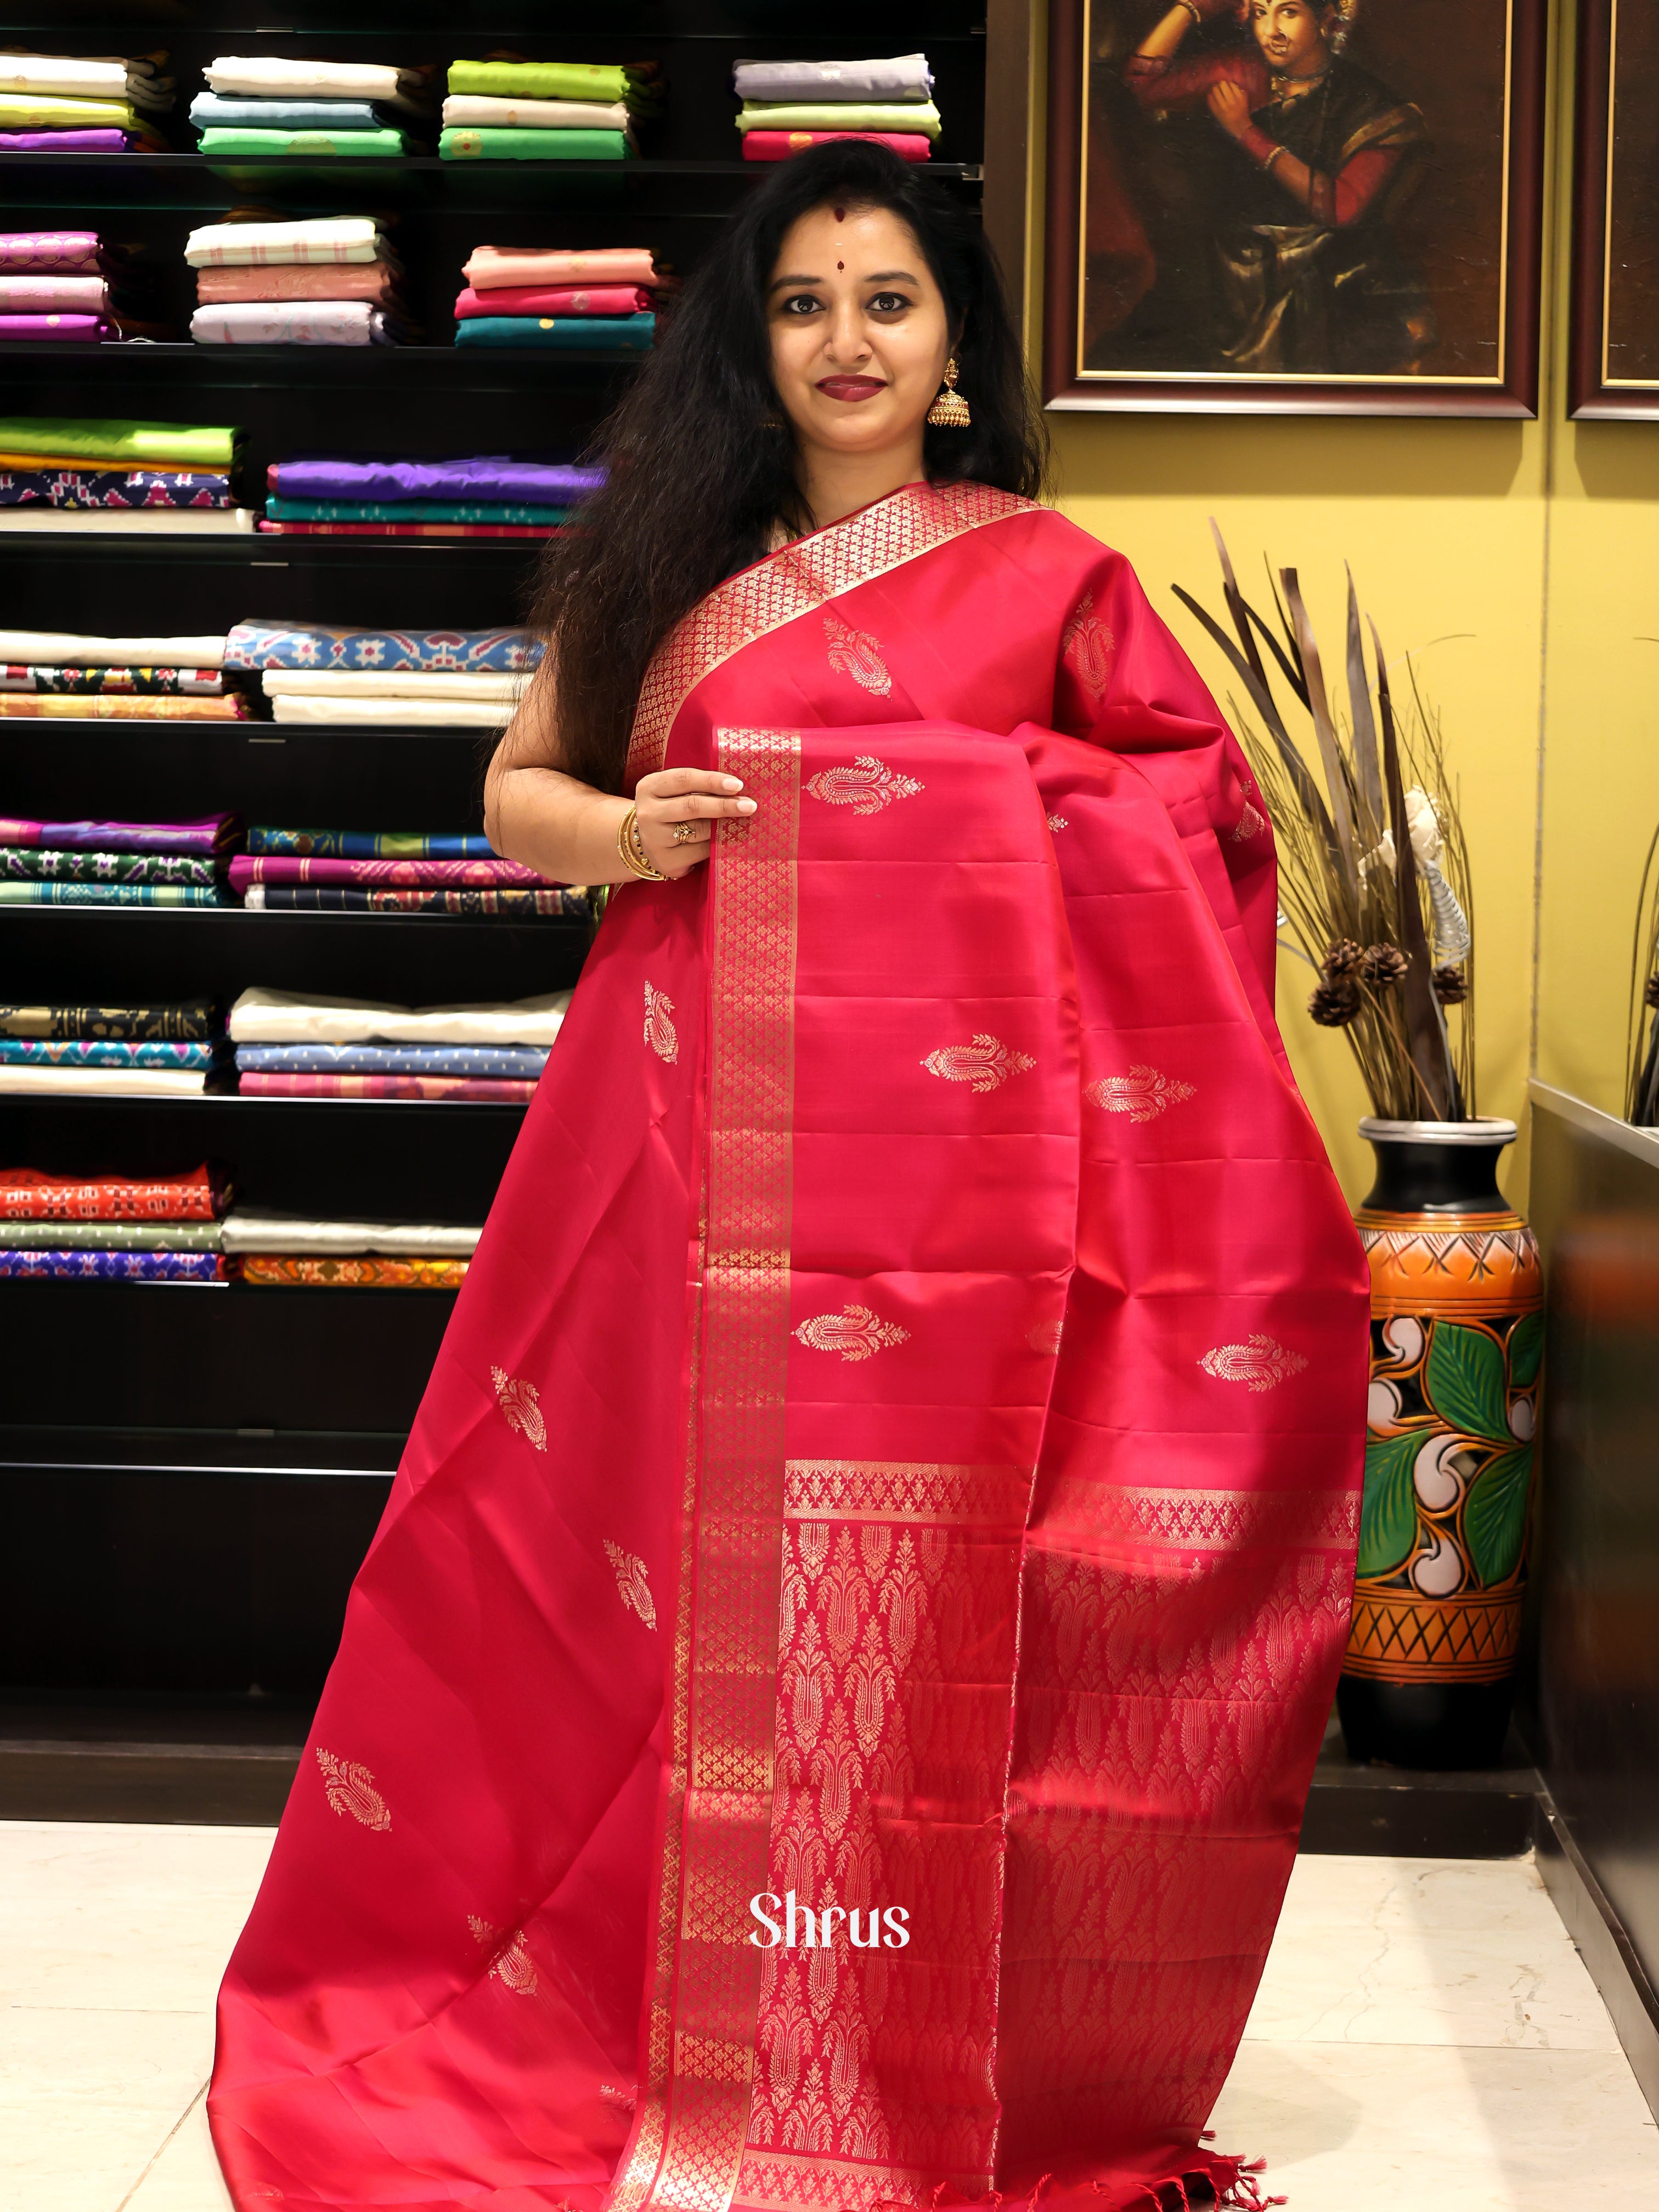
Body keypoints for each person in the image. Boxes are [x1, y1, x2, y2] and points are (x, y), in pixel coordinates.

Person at [208, 141, 1368, 2212]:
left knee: (954, 1611)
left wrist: (992, 796)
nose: (846, 337)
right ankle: (660, 2014)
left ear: (949, 348)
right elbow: (515, 795)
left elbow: (1191, 822)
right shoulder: (662, 558)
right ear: (751, 343)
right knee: (628, 1597)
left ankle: (928, 2033)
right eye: (803, 301)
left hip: (984, 1224)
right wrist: (634, 834)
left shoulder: (1045, 576)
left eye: (888, 299)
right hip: (687, 1172)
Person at [1122, 0, 1432, 371]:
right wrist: (1191, 9)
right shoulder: (1243, 71)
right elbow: (1142, 84)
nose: (1272, 31)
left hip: (1333, 280)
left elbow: (1340, 207)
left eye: (1289, 12)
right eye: (1259, 13)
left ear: (1327, 19)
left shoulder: (1374, 106)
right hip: (1235, 275)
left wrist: (1246, 133)